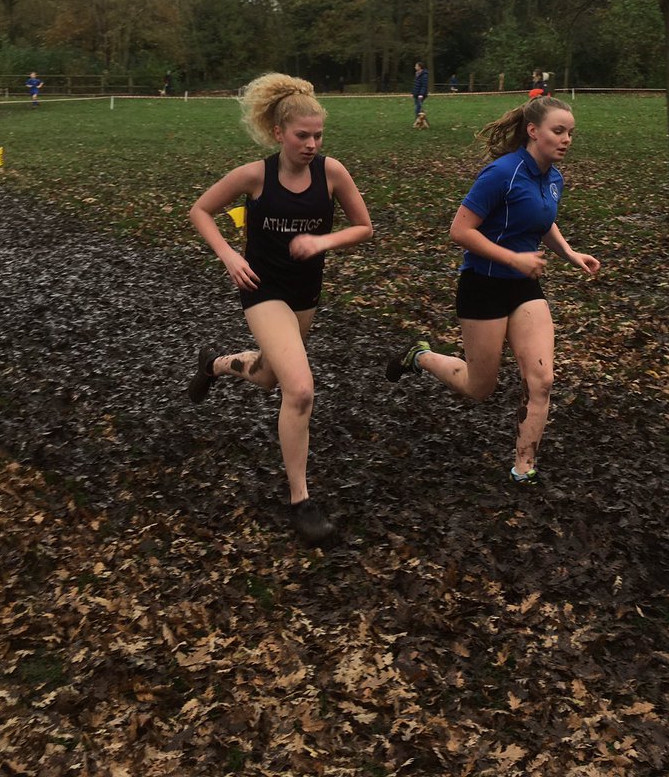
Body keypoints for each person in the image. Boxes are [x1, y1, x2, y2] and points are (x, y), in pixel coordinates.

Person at [188, 73, 373, 544]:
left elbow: (364, 227)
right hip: (262, 290)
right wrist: (230, 256)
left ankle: (216, 363)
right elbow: (200, 211)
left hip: (304, 294)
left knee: (270, 376)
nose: (311, 145)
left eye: (318, 136)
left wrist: (322, 242)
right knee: (301, 389)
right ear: (278, 133)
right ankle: (300, 501)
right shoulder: (255, 176)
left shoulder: (332, 173)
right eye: (302, 136)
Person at [385, 95, 600, 485]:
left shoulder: (554, 178)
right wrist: (513, 258)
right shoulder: (501, 173)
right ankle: (421, 357)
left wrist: (569, 253)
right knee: (479, 386)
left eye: (570, 132)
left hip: (524, 288)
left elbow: (540, 218)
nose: (566, 139)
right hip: (483, 286)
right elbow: (459, 230)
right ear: (533, 131)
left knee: (542, 379)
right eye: (558, 131)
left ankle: (524, 467)